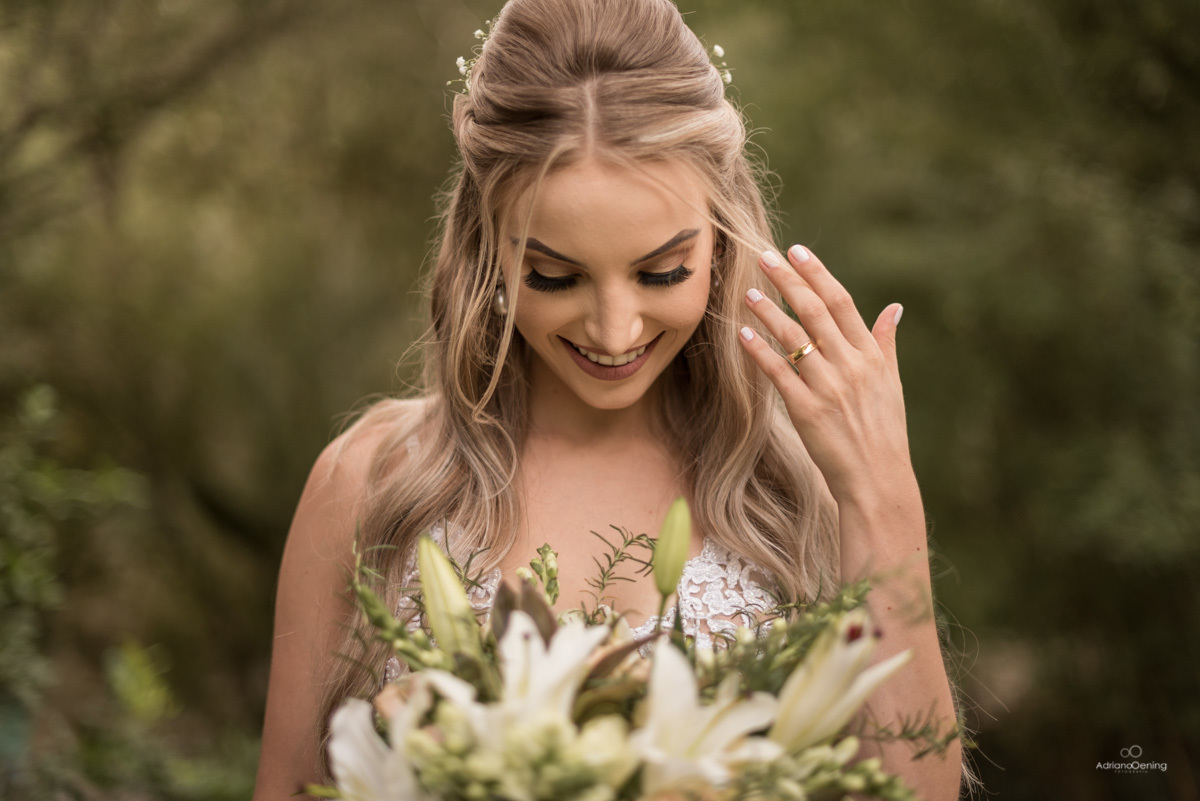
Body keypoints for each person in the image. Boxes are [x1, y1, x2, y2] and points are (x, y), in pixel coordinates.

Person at [253, 0, 981, 799]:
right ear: (486, 250)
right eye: (554, 276)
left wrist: (881, 493)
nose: (613, 328)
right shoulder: (375, 482)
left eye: (662, 271)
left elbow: (911, 791)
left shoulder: (802, 485)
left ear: (721, 237)